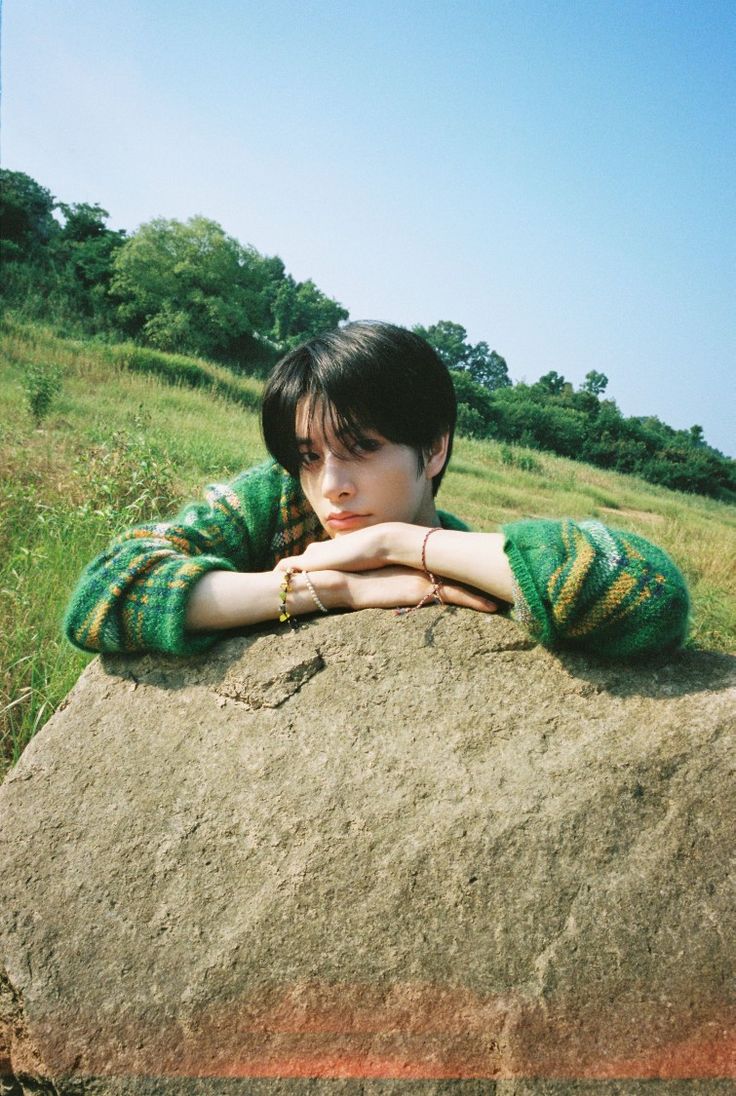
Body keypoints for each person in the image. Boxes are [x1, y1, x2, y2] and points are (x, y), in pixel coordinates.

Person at [65, 322, 689, 660]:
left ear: (434, 447)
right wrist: (323, 588)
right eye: (309, 457)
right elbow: (104, 595)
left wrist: (397, 541)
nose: (330, 486)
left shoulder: (467, 565)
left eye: (361, 449)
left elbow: (648, 595)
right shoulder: (276, 506)